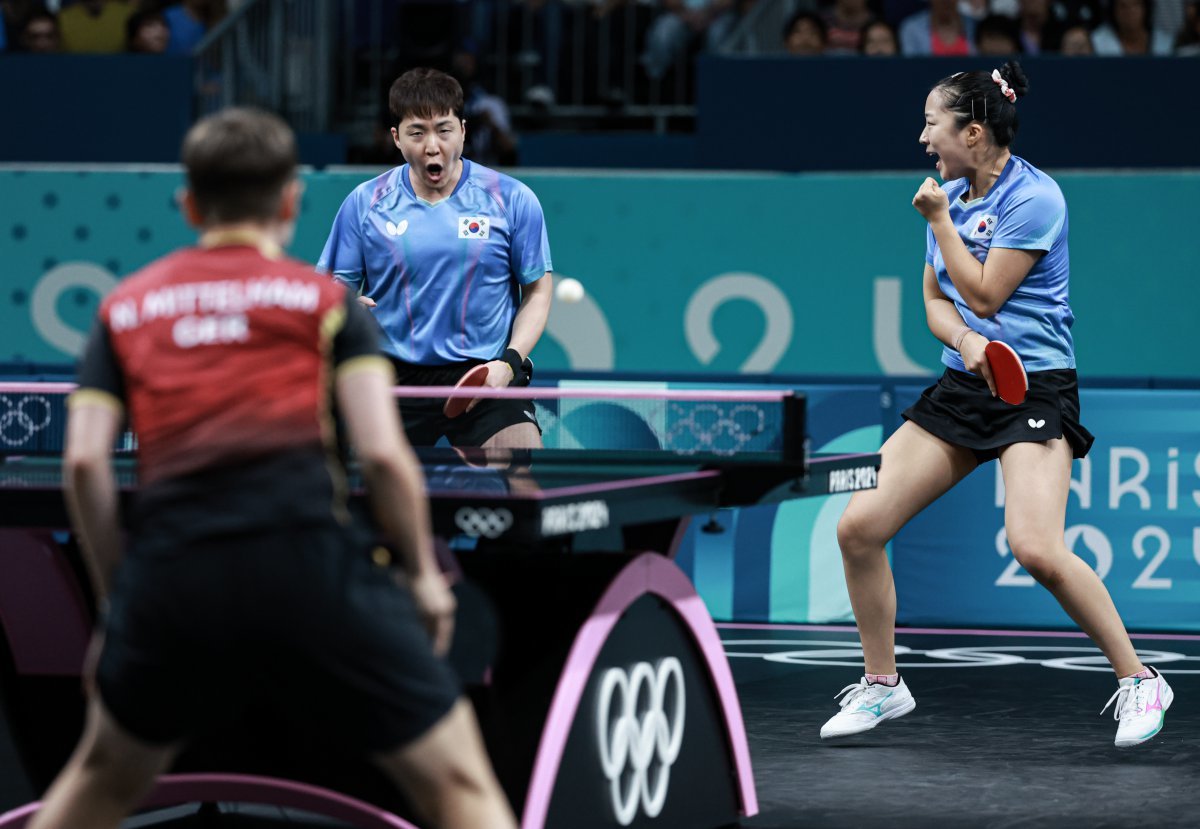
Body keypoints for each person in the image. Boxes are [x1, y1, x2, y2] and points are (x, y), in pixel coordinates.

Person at [27, 107, 517, 829]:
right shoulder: (324, 304)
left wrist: (116, 602)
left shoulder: (124, 309)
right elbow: (383, 453)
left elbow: (84, 466)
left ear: (189, 204)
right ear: (290, 201)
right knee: (459, 787)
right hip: (315, 572)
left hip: (175, 580)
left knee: (98, 783)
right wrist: (419, 575)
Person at [821, 62, 1174, 749]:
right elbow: (935, 304)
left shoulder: (1035, 199)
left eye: (933, 123)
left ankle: (1139, 678)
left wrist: (943, 225)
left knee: (1035, 547)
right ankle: (883, 684)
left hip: (1034, 388)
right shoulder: (947, 194)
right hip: (964, 384)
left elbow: (983, 294)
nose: (924, 137)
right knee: (858, 526)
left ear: (973, 131)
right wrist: (966, 343)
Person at [319, 67, 553, 450]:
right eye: (417, 132)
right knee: (360, 483)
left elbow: (538, 293)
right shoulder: (365, 202)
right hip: (390, 375)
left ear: (462, 130)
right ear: (396, 138)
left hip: (481, 373)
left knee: (520, 470)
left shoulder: (511, 199)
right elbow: (330, 289)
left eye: (444, 130)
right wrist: (342, 305)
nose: (432, 146)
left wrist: (508, 364)